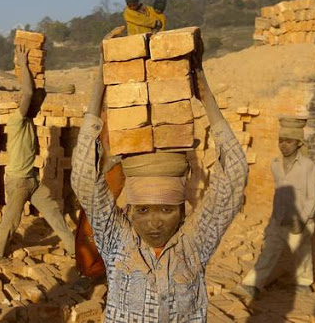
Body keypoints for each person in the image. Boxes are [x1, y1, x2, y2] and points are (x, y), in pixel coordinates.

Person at [71, 27, 248, 322]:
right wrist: (100, 83)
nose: (154, 222)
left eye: (167, 209)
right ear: (128, 210)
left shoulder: (194, 244)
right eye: (143, 210)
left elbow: (234, 174)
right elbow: (84, 181)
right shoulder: (118, 242)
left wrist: (204, 93)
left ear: (183, 210)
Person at [0, 45, 75, 263]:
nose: (40, 105)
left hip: (33, 181)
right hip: (18, 182)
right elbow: (28, 92)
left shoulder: (29, 119)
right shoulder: (18, 120)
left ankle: (75, 249)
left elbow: (36, 93)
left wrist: (60, 89)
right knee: (11, 220)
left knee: (54, 213)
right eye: (38, 102)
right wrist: (23, 63)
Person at [239, 117, 315, 298]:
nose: (284, 145)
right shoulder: (275, 165)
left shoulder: (307, 166)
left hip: (299, 219)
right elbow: (278, 193)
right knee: (268, 252)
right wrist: (272, 219)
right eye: (281, 141)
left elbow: (312, 196)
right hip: (278, 219)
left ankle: (305, 283)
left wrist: (303, 220)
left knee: (302, 253)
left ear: (299, 143)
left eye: (289, 141)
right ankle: (252, 285)